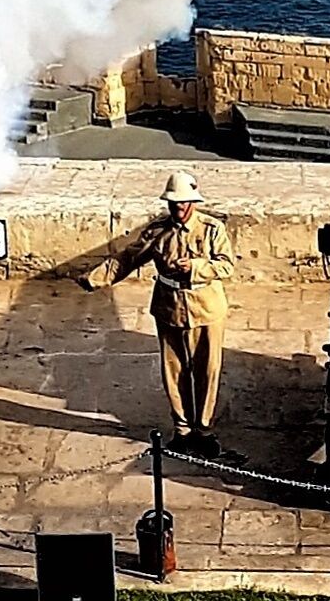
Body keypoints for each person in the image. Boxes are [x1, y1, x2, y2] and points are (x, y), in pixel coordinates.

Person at [79, 170, 234, 456]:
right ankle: (183, 429)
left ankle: (204, 430)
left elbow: (226, 265)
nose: (179, 208)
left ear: (193, 203)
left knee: (207, 371)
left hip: (206, 307)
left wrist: (197, 267)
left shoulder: (212, 230)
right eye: (174, 203)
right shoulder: (157, 231)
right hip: (169, 306)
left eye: (184, 203)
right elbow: (128, 258)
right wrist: (96, 278)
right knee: (173, 372)